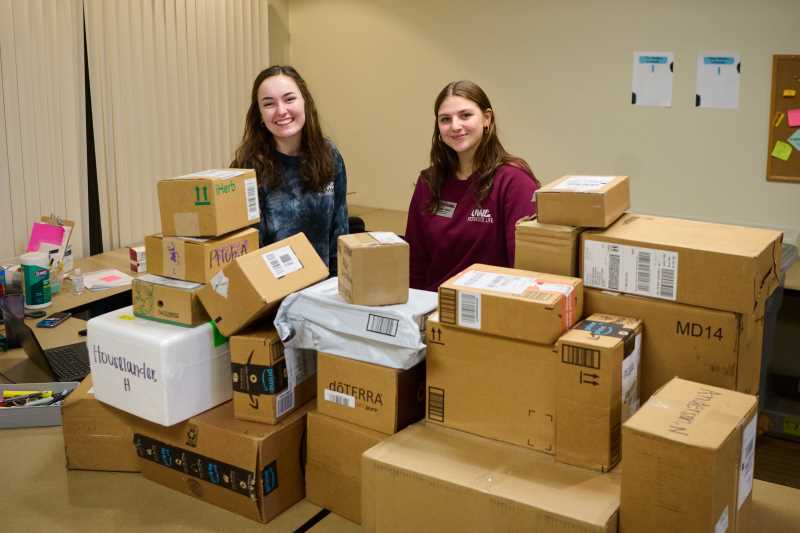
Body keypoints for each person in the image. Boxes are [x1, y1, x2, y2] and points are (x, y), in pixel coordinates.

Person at [404, 80, 540, 292]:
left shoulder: (514, 181)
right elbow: (415, 262)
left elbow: (525, 268)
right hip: (432, 309)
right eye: (445, 119)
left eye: (465, 115)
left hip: (491, 309)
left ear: (487, 118)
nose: (455, 126)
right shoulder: (429, 182)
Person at [232, 65, 348, 274]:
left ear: (305, 102)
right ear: (259, 114)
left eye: (289, 99)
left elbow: (339, 235)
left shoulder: (330, 157)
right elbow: (244, 248)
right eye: (269, 104)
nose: (281, 111)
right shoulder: (247, 168)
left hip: (321, 291)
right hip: (270, 294)